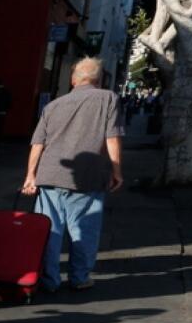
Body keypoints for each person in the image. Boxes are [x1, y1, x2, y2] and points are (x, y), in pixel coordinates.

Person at [20, 57, 124, 292]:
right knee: (83, 229)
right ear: (98, 79)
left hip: (50, 175)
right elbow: (112, 138)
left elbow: (38, 144)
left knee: (50, 230)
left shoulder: (54, 105)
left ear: (73, 80)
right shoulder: (108, 99)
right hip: (90, 176)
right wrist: (117, 170)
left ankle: (49, 279)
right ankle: (79, 277)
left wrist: (30, 175)